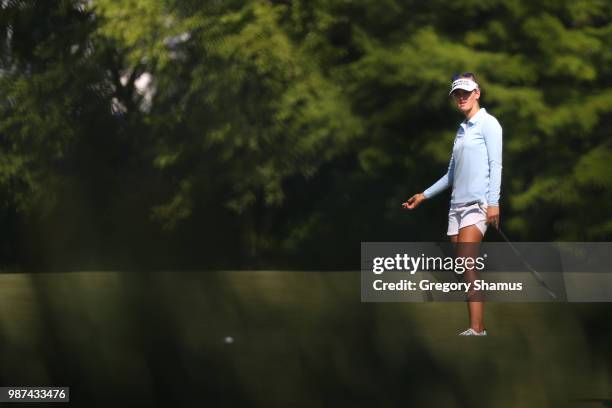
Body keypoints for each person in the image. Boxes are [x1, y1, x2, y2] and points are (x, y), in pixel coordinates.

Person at [402, 72, 502, 336]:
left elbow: (496, 165)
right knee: (460, 267)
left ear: (477, 93)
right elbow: (451, 174)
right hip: (456, 208)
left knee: (467, 263)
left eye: (466, 93)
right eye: (457, 93)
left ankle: (477, 329)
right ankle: (475, 325)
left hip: (477, 206)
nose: (461, 97)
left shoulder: (489, 124)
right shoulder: (461, 130)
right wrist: (424, 195)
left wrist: (494, 204)